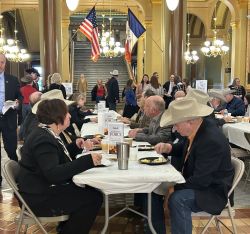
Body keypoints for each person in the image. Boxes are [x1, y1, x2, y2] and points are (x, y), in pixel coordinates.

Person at [17, 98, 103, 234]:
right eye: (66, 112)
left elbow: (54, 158)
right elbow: (53, 174)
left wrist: (75, 146)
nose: (69, 115)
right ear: (57, 117)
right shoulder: (43, 139)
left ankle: (65, 228)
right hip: (38, 198)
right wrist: (87, 161)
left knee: (91, 192)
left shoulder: (45, 132)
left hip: (39, 189)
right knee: (93, 198)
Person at [155, 97, 234, 234]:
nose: (175, 128)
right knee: (158, 187)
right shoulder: (199, 128)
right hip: (202, 183)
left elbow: (201, 181)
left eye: (176, 124)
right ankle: (155, 228)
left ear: (190, 122)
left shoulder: (210, 140)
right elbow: (188, 148)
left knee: (177, 199)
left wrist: (174, 188)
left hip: (212, 191)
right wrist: (169, 148)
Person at [0, 53, 22, 186]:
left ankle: (18, 178)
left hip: (8, 118)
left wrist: (17, 103)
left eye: (2, 62)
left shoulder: (12, 80)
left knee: (11, 150)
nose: (0, 65)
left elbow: (20, 97)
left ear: (5, 64)